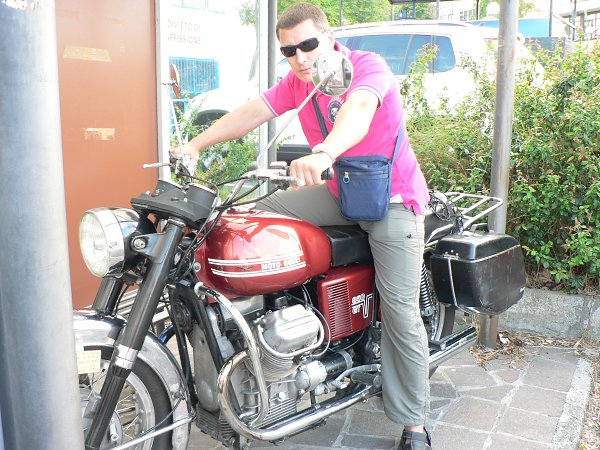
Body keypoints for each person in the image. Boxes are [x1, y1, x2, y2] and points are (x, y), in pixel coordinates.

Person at [176, 3, 432, 449]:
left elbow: (359, 110)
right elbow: (253, 111)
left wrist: (325, 152)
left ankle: (413, 422)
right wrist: (194, 145)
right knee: (253, 219)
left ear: (329, 38)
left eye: (308, 45)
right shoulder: (299, 82)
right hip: (339, 194)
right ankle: (281, 325)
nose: (300, 57)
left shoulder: (366, 67)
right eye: (289, 51)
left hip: (391, 199)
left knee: (399, 311)